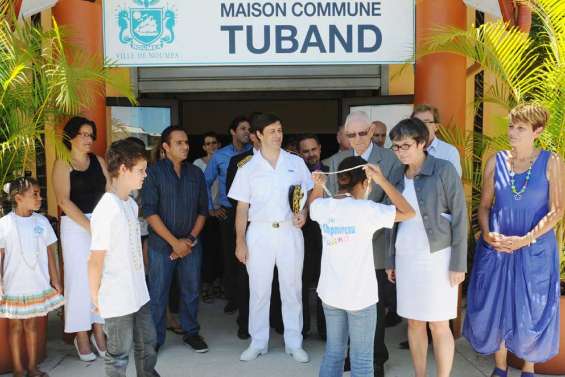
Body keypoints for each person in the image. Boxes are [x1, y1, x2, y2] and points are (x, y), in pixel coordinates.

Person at [463, 104, 564, 377]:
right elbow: (484, 206)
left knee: (531, 305)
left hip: (535, 248)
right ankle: (500, 367)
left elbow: (558, 209)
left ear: (537, 131)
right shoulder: (495, 161)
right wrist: (485, 233)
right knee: (497, 303)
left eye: (520, 128)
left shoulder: (552, 161)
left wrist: (526, 239)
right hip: (498, 244)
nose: (513, 132)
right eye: (511, 126)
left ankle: (528, 369)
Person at [310, 157, 415, 377]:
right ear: (365, 182)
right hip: (360, 297)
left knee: (333, 354)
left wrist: (318, 186)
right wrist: (383, 180)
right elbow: (409, 212)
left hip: (330, 294)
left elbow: (313, 204)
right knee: (362, 360)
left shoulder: (322, 207)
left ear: (339, 180)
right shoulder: (367, 209)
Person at [385, 118, 467, 377]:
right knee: (414, 322)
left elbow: (460, 218)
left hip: (438, 257)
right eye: (396, 147)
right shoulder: (397, 174)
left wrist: (459, 263)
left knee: (440, 324)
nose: (400, 152)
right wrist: (390, 259)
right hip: (406, 256)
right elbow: (390, 219)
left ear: (422, 143)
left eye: (405, 146)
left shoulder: (443, 169)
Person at [228, 113, 313, 362]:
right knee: (259, 290)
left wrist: (304, 213)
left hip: (290, 230)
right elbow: (241, 208)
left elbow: (306, 194)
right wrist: (240, 241)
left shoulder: (295, 162)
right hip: (260, 232)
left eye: (280, 130)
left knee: (292, 288)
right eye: (272, 131)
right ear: (258, 136)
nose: (278, 135)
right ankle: (258, 341)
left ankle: (294, 342)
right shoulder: (248, 167)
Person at [324, 110, 402, 377]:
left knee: (373, 307)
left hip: (377, 244)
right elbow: (335, 201)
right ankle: (350, 356)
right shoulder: (336, 161)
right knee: (344, 305)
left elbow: (395, 203)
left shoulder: (390, 160)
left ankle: (376, 358)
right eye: (350, 134)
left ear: (371, 131)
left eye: (361, 133)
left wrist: (368, 223)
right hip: (345, 248)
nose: (356, 139)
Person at [88, 139, 160, 377]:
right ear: (123, 169)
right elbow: (95, 259)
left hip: (138, 290)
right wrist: (95, 296)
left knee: (147, 343)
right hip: (116, 293)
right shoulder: (107, 208)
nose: (145, 175)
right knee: (119, 353)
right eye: (140, 170)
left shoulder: (129, 204)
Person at [141, 126, 209, 352]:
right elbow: (150, 212)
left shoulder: (196, 173)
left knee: (190, 290)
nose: (185, 146)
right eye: (179, 143)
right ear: (166, 147)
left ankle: (191, 333)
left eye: (186, 142)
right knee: (158, 292)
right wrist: (174, 243)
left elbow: (203, 210)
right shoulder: (153, 173)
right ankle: (155, 339)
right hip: (162, 246)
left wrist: (188, 240)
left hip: (191, 245)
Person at [52, 116, 109, 361]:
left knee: (100, 278)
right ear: (71, 136)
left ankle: (99, 329)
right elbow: (64, 201)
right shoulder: (62, 163)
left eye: (91, 135)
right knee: (78, 280)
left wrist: (105, 223)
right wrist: (89, 226)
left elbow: (109, 191)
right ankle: (81, 334)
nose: (88, 139)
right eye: (83, 134)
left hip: (99, 223)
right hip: (75, 226)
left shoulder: (98, 161)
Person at [0, 177, 64, 377]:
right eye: (34, 194)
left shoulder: (42, 221)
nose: (40, 198)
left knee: (32, 325)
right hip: (13, 285)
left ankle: (33, 367)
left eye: (39, 193)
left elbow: (50, 254)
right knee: (15, 327)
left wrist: (56, 280)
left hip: (36, 284)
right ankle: (18, 369)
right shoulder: (4, 224)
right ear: (18, 198)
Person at [204, 116, 251, 314]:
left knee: (251, 257)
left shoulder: (255, 154)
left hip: (251, 212)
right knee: (230, 257)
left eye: (249, 129)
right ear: (233, 131)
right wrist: (211, 207)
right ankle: (233, 298)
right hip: (228, 212)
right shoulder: (219, 156)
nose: (247, 132)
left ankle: (249, 300)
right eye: (242, 128)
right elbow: (204, 182)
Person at [297, 134, 328, 338]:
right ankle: (303, 328)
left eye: (313, 149)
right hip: (301, 233)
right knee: (301, 281)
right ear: (300, 154)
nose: (310, 154)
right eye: (305, 151)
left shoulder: (332, 170)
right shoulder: (294, 173)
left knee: (325, 283)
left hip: (327, 234)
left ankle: (326, 330)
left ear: (320, 149)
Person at [194, 132, 223, 303]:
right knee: (206, 252)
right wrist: (208, 210)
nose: (211, 146)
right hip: (204, 214)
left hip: (222, 212)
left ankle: (219, 285)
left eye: (214, 143)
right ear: (204, 147)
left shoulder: (224, 161)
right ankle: (206, 287)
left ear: (219, 145)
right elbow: (198, 190)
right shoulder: (198, 164)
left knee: (220, 252)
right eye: (208, 143)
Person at [411, 104, 462, 177]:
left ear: (436, 127)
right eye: (416, 122)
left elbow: (453, 184)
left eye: (426, 122)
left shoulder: (449, 152)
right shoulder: (403, 149)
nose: (420, 126)